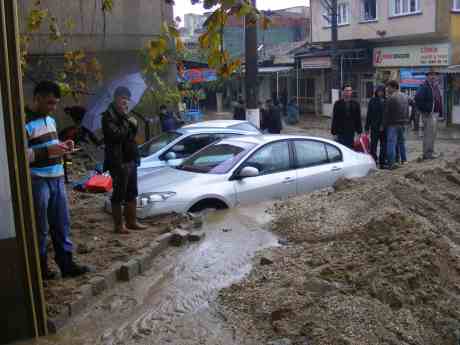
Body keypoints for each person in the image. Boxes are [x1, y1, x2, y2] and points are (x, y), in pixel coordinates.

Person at [25, 81, 90, 280]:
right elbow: (19, 155)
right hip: (37, 181)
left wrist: (63, 145)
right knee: (41, 227)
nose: (53, 107)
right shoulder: (23, 122)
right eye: (49, 103)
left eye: (55, 103)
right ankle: (42, 270)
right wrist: (48, 151)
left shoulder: (50, 120)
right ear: (36, 99)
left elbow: (51, 145)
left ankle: (67, 264)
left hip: (57, 177)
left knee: (62, 224)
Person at [102, 86, 147, 234]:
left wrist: (132, 123)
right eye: (123, 98)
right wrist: (127, 121)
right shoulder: (108, 116)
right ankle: (118, 226)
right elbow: (116, 136)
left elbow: (131, 136)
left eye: (127, 99)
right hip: (118, 161)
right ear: (115, 99)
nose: (125, 102)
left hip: (130, 158)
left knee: (132, 191)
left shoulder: (125, 115)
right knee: (119, 193)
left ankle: (132, 221)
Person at [415, 69, 443, 160]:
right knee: (428, 134)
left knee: (432, 134)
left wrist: (440, 112)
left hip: (434, 114)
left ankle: (430, 151)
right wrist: (425, 110)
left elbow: (438, 99)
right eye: (431, 75)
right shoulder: (424, 86)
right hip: (428, 114)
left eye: (434, 75)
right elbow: (418, 99)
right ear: (427, 76)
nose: (433, 77)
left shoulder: (435, 86)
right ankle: (427, 154)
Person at [383, 80, 409, 169]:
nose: (387, 89)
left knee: (391, 143)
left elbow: (386, 113)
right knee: (401, 142)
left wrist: (383, 125)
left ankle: (391, 163)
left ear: (393, 87)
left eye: (388, 87)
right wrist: (409, 118)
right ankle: (404, 160)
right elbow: (414, 105)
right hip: (403, 124)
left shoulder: (391, 98)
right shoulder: (405, 96)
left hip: (392, 124)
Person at [331, 84, 362, 149]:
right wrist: (334, 133)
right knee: (341, 149)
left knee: (350, 149)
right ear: (343, 92)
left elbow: (358, 119)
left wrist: (359, 133)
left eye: (350, 90)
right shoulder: (338, 104)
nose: (348, 92)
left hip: (351, 131)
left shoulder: (355, 104)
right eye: (346, 90)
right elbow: (335, 118)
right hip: (340, 132)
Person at [365, 85, 386, 168]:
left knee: (384, 146)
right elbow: (369, 114)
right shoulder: (372, 101)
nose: (380, 93)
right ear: (376, 92)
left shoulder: (386, 101)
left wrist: (383, 125)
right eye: (379, 91)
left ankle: (382, 162)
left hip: (384, 128)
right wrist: (367, 127)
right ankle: (373, 160)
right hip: (374, 127)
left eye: (382, 91)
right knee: (373, 145)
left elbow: (387, 115)